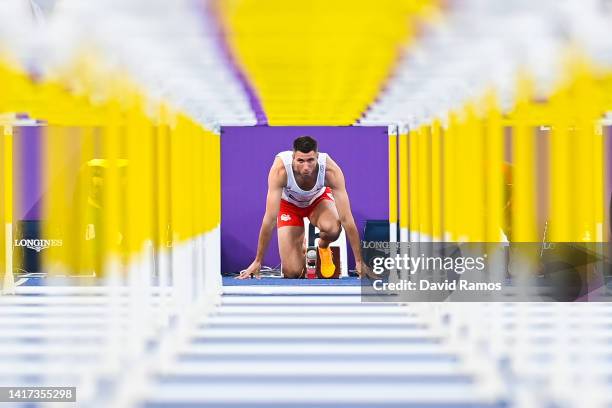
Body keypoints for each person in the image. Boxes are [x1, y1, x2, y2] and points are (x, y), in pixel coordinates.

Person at [237, 136, 370, 279]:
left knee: (333, 228)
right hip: (289, 206)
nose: (306, 167)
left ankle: (323, 247)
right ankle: (299, 245)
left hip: (317, 201)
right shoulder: (280, 170)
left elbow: (347, 219)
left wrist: (358, 262)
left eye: (310, 160)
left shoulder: (330, 171)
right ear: (293, 157)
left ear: (317, 157)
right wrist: (258, 261)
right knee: (293, 273)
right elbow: (269, 220)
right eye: (300, 161)